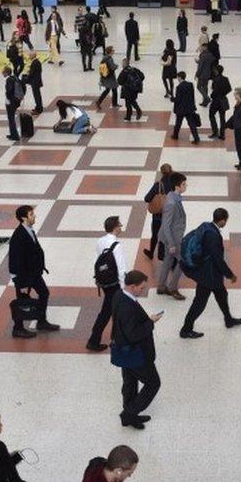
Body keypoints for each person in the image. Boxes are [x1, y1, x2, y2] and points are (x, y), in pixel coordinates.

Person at [179, 208, 241, 338]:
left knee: (222, 294)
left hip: (210, 273)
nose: (226, 222)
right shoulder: (213, 236)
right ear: (222, 220)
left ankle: (228, 320)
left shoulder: (207, 227)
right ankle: (186, 329)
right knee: (199, 303)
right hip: (208, 276)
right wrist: (230, 274)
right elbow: (218, 259)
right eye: (225, 220)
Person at [111, 271, 163, 430]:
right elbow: (133, 334)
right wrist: (150, 321)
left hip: (123, 350)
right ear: (132, 286)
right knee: (153, 383)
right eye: (141, 288)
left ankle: (130, 416)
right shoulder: (127, 306)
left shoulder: (119, 295)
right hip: (135, 352)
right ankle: (128, 413)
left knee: (130, 382)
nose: (143, 290)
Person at [8, 205, 59, 337]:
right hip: (23, 276)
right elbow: (16, 260)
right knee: (22, 301)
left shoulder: (29, 230)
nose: (34, 216)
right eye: (31, 214)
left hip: (33, 273)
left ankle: (41, 321)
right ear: (23, 218)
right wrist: (22, 283)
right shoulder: (18, 236)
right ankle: (17, 328)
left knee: (44, 293)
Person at [87, 216, 127, 351]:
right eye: (120, 225)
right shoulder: (116, 245)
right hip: (115, 283)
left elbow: (97, 260)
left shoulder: (100, 241)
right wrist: (123, 287)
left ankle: (109, 338)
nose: (121, 227)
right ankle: (95, 340)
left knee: (111, 310)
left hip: (104, 281)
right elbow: (121, 268)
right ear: (115, 227)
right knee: (108, 312)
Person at [155, 172, 188, 299]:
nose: (186, 186)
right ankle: (172, 288)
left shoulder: (172, 196)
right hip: (172, 238)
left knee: (167, 261)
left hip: (170, 236)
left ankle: (161, 286)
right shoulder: (171, 203)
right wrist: (172, 244)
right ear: (177, 186)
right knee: (183, 261)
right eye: (184, 184)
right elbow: (166, 225)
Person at [142, 165, 174, 261]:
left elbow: (147, 198)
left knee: (155, 234)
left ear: (161, 173)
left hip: (158, 216)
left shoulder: (158, 185)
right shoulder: (175, 184)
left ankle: (152, 253)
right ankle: (170, 258)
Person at [171, 72, 200, 143]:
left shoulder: (179, 87)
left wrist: (172, 99)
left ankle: (175, 135)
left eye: (178, 77)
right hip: (189, 108)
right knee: (192, 124)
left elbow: (178, 99)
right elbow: (192, 96)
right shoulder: (190, 85)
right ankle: (196, 138)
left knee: (178, 123)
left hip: (181, 109)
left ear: (180, 77)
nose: (177, 78)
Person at [208, 65, 232, 141]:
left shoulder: (215, 79)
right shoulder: (226, 79)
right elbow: (229, 89)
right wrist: (223, 94)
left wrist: (212, 96)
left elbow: (214, 90)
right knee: (222, 118)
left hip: (216, 101)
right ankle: (222, 134)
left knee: (211, 115)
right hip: (223, 100)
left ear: (217, 71)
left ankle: (215, 132)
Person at [1, 66, 22, 141]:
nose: (2, 73)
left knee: (11, 118)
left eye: (3, 72)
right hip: (16, 100)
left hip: (11, 102)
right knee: (11, 117)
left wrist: (7, 98)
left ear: (6, 72)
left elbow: (9, 91)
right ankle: (12, 133)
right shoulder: (15, 78)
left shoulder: (9, 80)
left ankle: (14, 135)